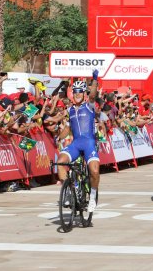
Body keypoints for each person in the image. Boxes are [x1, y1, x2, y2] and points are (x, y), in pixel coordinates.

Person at [56, 70, 100, 213]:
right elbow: (67, 129)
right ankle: (70, 189)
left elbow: (93, 94)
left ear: (84, 94)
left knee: (94, 171)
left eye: (80, 91)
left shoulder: (89, 105)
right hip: (75, 144)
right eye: (75, 91)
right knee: (60, 163)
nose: (77, 94)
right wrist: (58, 137)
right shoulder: (70, 110)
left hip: (89, 143)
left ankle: (92, 197)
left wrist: (94, 80)